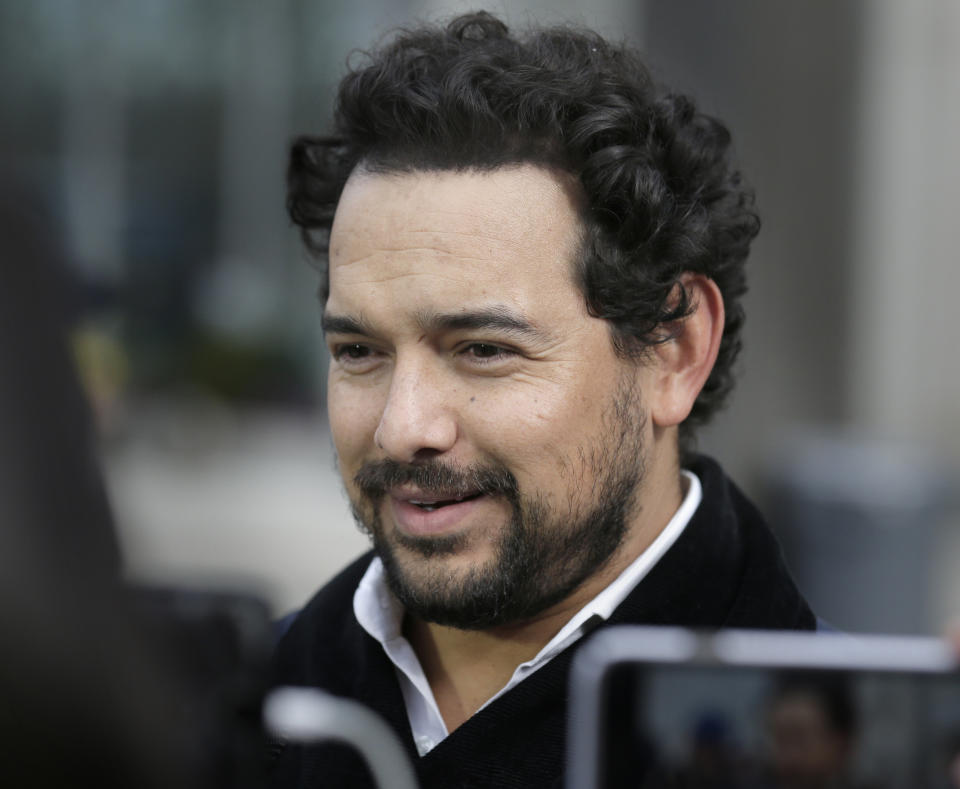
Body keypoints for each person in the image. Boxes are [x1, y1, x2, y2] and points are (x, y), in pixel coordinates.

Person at [270, 11, 816, 788]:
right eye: (359, 352)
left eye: (484, 350)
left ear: (675, 349)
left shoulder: (846, 755)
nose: (403, 427)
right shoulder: (232, 715)